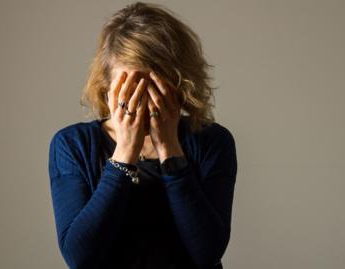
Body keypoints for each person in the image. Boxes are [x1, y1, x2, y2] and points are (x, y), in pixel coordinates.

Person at [47, 2, 237, 269]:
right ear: (107, 87)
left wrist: (169, 148)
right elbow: (81, 258)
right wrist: (125, 151)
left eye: (155, 90)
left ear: (178, 85)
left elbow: (207, 251)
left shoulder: (211, 141)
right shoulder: (72, 145)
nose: (143, 104)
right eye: (130, 89)